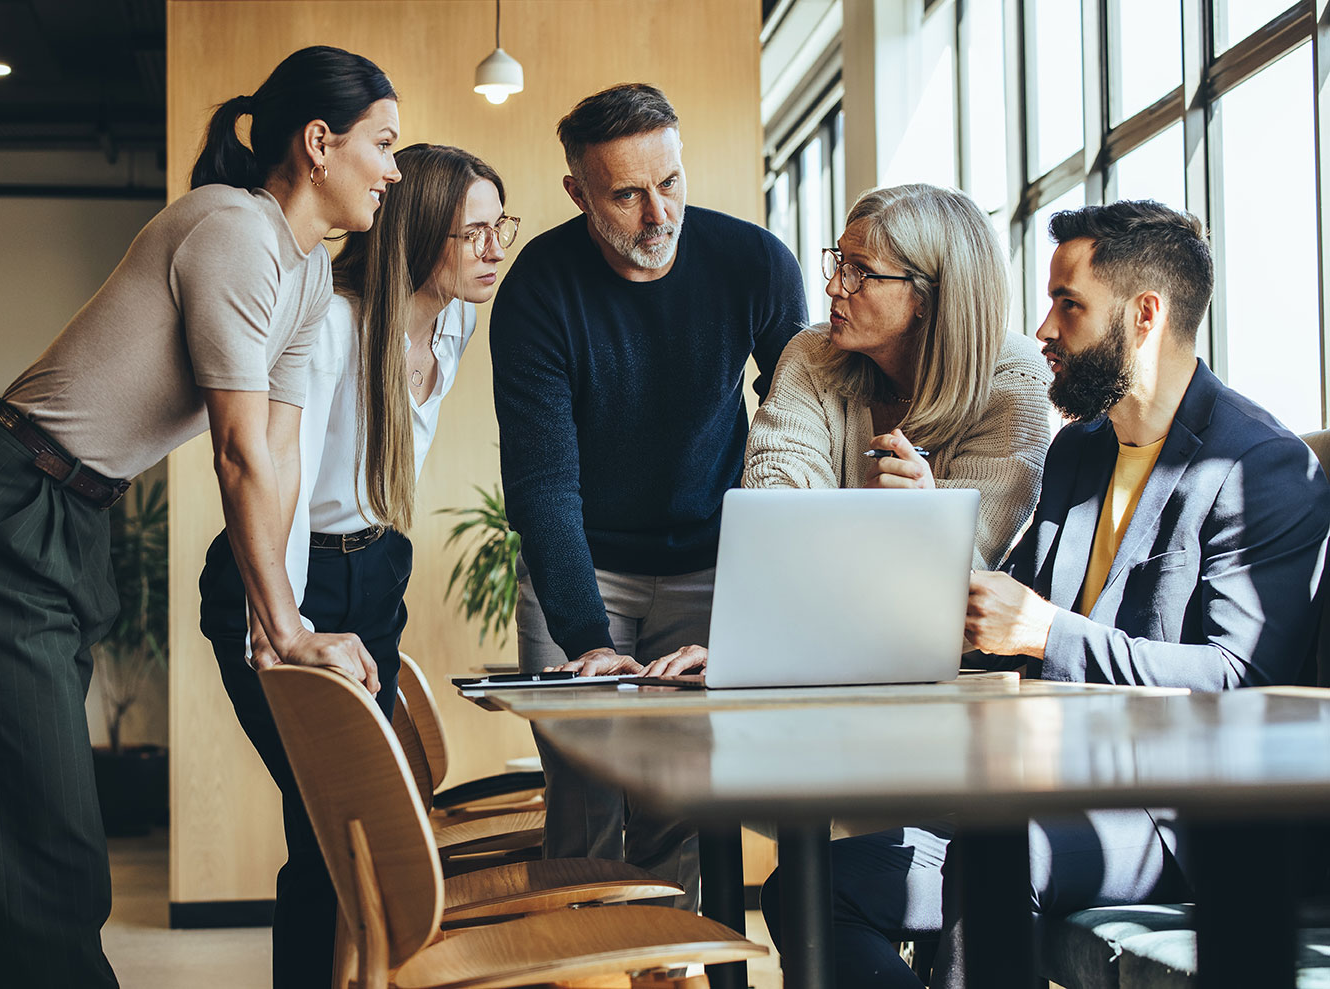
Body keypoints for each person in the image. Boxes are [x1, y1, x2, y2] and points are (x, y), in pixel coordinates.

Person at [0, 46, 400, 989]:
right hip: (3, 513)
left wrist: (277, 621)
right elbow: (238, 451)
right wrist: (283, 628)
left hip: (70, 520)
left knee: (1, 833)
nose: (395, 169)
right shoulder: (233, 230)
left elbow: (281, 454)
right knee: (43, 847)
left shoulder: (305, 280)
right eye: (383, 143)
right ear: (319, 143)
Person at [762, 199, 1330, 988]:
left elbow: (1243, 683)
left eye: (1067, 305)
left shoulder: (1255, 467)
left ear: (1142, 316)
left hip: (1180, 817)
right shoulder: (1080, 453)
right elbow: (1001, 608)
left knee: (1003, 847)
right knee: (805, 887)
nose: (1041, 331)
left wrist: (1046, 632)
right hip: (1045, 789)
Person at [200, 144, 513, 988]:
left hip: (375, 570)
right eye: (472, 233)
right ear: (415, 235)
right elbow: (279, 474)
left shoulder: (455, 317)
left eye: (499, 228)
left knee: (362, 824)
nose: (493, 250)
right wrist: (284, 624)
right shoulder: (333, 322)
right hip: (288, 572)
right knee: (325, 824)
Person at [492, 83, 806, 909]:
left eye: (668, 182)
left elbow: (801, 434)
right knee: (585, 790)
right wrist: (588, 638)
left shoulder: (755, 264)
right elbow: (542, 485)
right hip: (584, 562)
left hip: (711, 561)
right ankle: (587, 963)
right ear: (578, 193)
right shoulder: (540, 288)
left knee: (680, 796)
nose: (655, 213)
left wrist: (771, 594)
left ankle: (668, 963)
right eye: (625, 194)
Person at [745, 184, 1051, 568]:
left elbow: (966, 568)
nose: (833, 286)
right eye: (839, 261)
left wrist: (924, 522)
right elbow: (772, 520)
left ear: (926, 297)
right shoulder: (812, 354)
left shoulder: (1014, 380)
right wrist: (900, 525)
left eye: (860, 272)